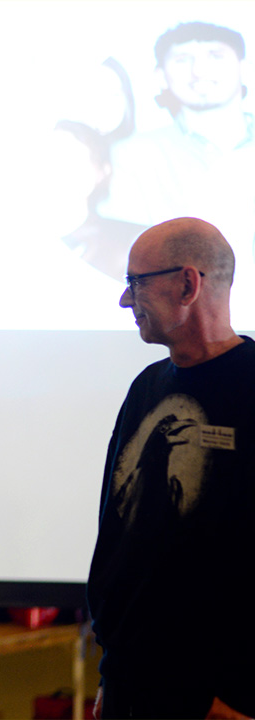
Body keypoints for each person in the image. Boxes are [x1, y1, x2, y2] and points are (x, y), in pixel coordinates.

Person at [87, 217, 254, 719]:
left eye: (136, 281)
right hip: (130, 679)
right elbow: (118, 530)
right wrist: (111, 670)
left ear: (187, 283)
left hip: (216, 695)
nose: (124, 300)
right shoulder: (146, 387)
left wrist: (243, 691)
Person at [97, 22, 255, 277]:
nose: (199, 70)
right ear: (160, 76)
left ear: (245, 68)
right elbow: (127, 257)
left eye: (216, 56)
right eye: (182, 59)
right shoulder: (132, 156)